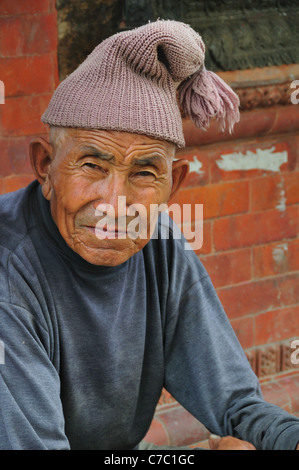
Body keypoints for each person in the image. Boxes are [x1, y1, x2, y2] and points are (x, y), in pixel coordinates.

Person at [0, 20, 298, 451]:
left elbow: (238, 406)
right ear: (45, 167)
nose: (116, 203)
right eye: (92, 166)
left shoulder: (159, 244)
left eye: (143, 173)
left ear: (172, 185)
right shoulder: (10, 272)